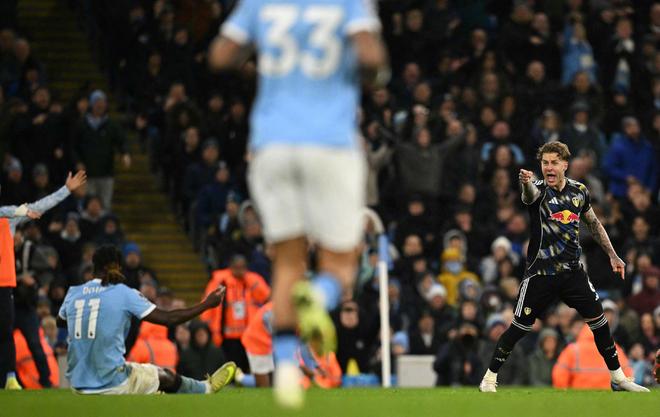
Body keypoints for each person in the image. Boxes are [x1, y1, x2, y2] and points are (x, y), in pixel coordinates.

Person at [208, 0, 388, 407]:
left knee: (288, 260)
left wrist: (264, 61)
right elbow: (371, 58)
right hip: (331, 145)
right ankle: (319, 297)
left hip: (271, 145)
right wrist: (373, 72)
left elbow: (221, 55)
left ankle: (287, 367)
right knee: (342, 261)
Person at [479, 141, 649, 393]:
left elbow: (594, 224)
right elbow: (528, 195)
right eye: (544, 163)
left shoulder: (579, 191)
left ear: (565, 165)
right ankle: (489, 378)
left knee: (600, 322)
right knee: (519, 327)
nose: (548, 167)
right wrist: (526, 182)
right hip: (541, 273)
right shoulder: (538, 190)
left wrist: (613, 255)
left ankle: (618, 378)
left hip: (572, 273)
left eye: (554, 163)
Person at [56, 245, 236, 394]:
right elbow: (169, 319)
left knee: (137, 370)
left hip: (78, 385)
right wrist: (206, 304)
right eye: (118, 267)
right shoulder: (123, 293)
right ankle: (206, 388)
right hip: (112, 383)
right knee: (164, 375)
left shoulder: (74, 293)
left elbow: (60, 322)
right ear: (113, 267)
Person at [1, 171, 86, 390]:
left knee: (5, 334)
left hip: (4, 285)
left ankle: (10, 378)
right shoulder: (10, 214)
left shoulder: (7, 218)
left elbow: (40, 206)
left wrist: (66, 190)